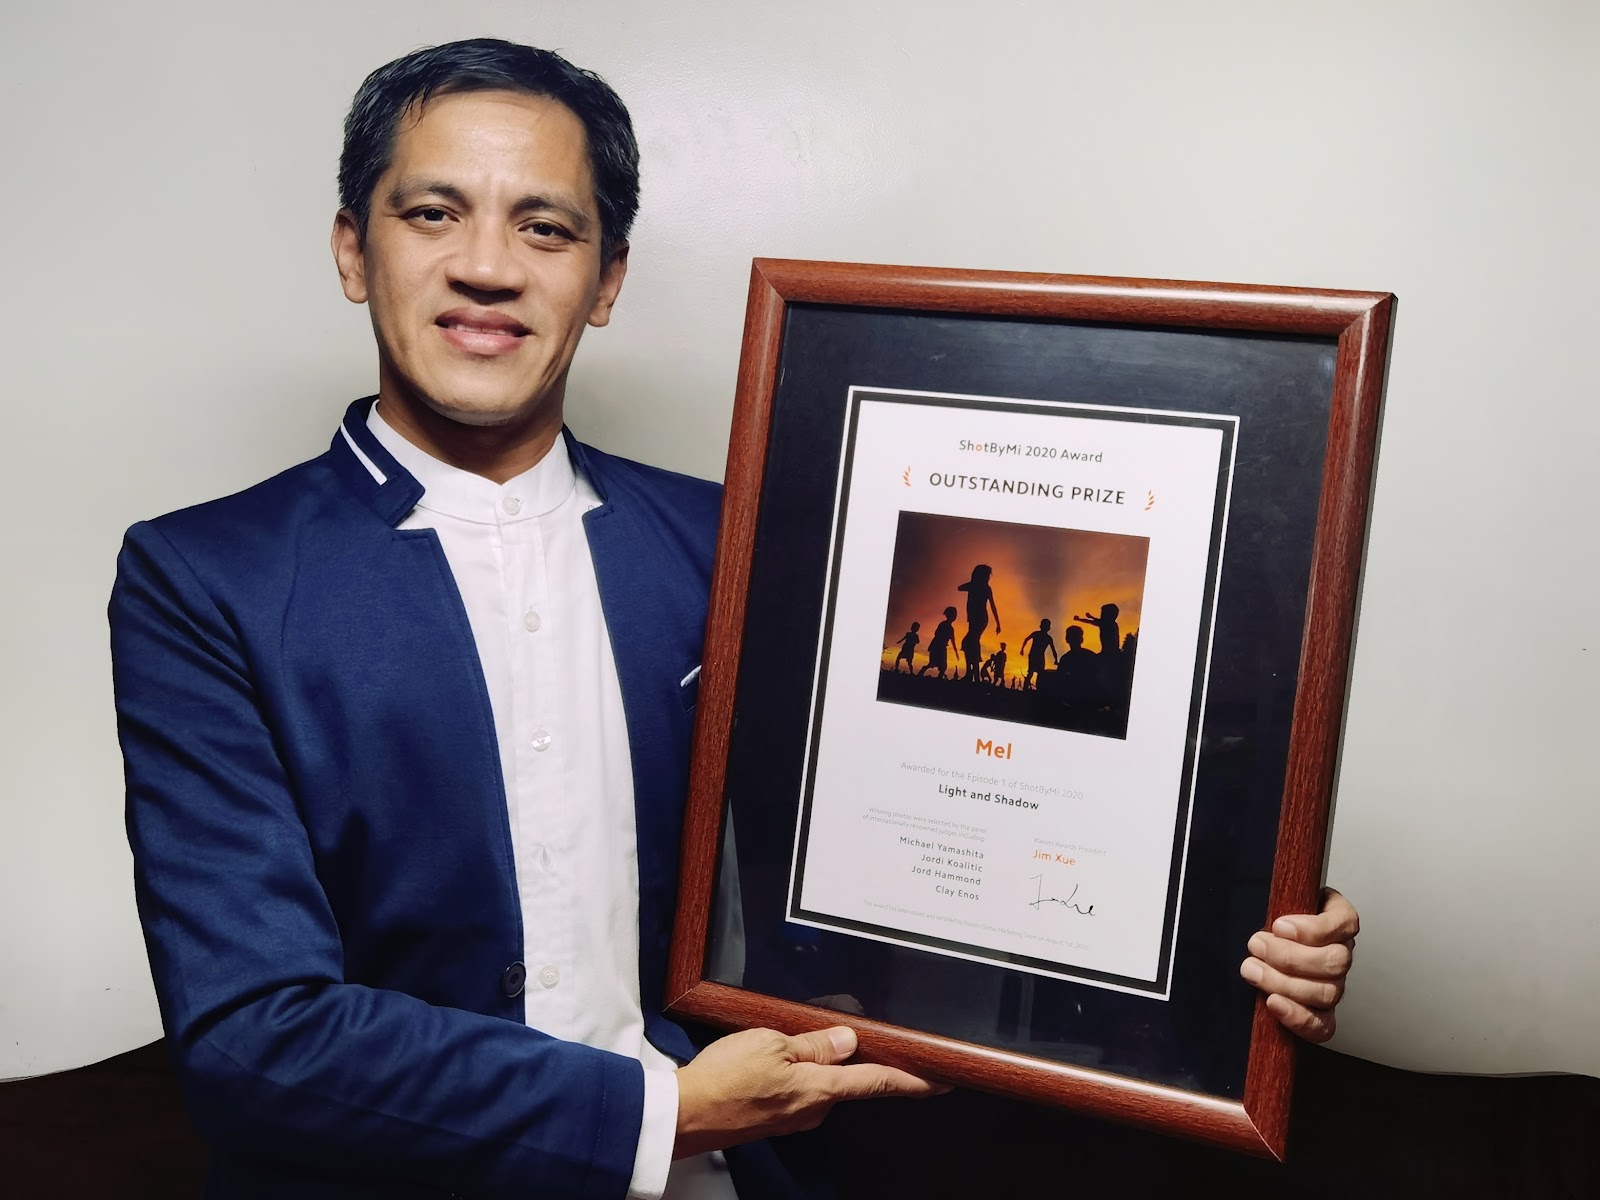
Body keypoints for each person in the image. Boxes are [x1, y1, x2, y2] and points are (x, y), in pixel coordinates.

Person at [108, 36, 1359, 1200]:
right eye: (433, 212)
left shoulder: (742, 542)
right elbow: (250, 1038)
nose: (488, 264)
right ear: (351, 250)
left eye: (546, 227)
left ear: (606, 280)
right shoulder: (203, 579)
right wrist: (664, 1114)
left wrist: (1223, 937)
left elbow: (942, 830)